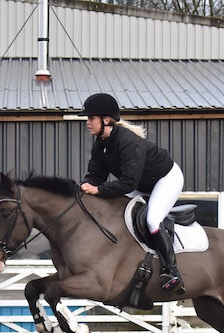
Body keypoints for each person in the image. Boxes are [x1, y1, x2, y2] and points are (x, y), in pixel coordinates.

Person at [78, 93, 185, 293]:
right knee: (117, 213)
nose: (87, 122)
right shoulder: (101, 144)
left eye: (91, 118)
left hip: (166, 179)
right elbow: (94, 175)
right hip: (141, 183)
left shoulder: (128, 141)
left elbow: (127, 183)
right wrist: (82, 190)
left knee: (152, 220)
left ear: (106, 119)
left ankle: (172, 271)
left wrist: (98, 190)